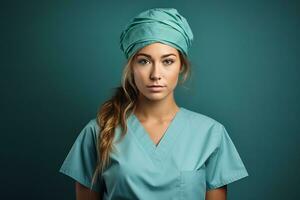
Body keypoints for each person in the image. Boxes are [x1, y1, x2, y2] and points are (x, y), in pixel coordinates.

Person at [59, 7, 249, 200]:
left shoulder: (210, 134)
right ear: (131, 66)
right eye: (144, 61)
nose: (156, 74)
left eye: (167, 61)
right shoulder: (98, 132)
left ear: (181, 66)